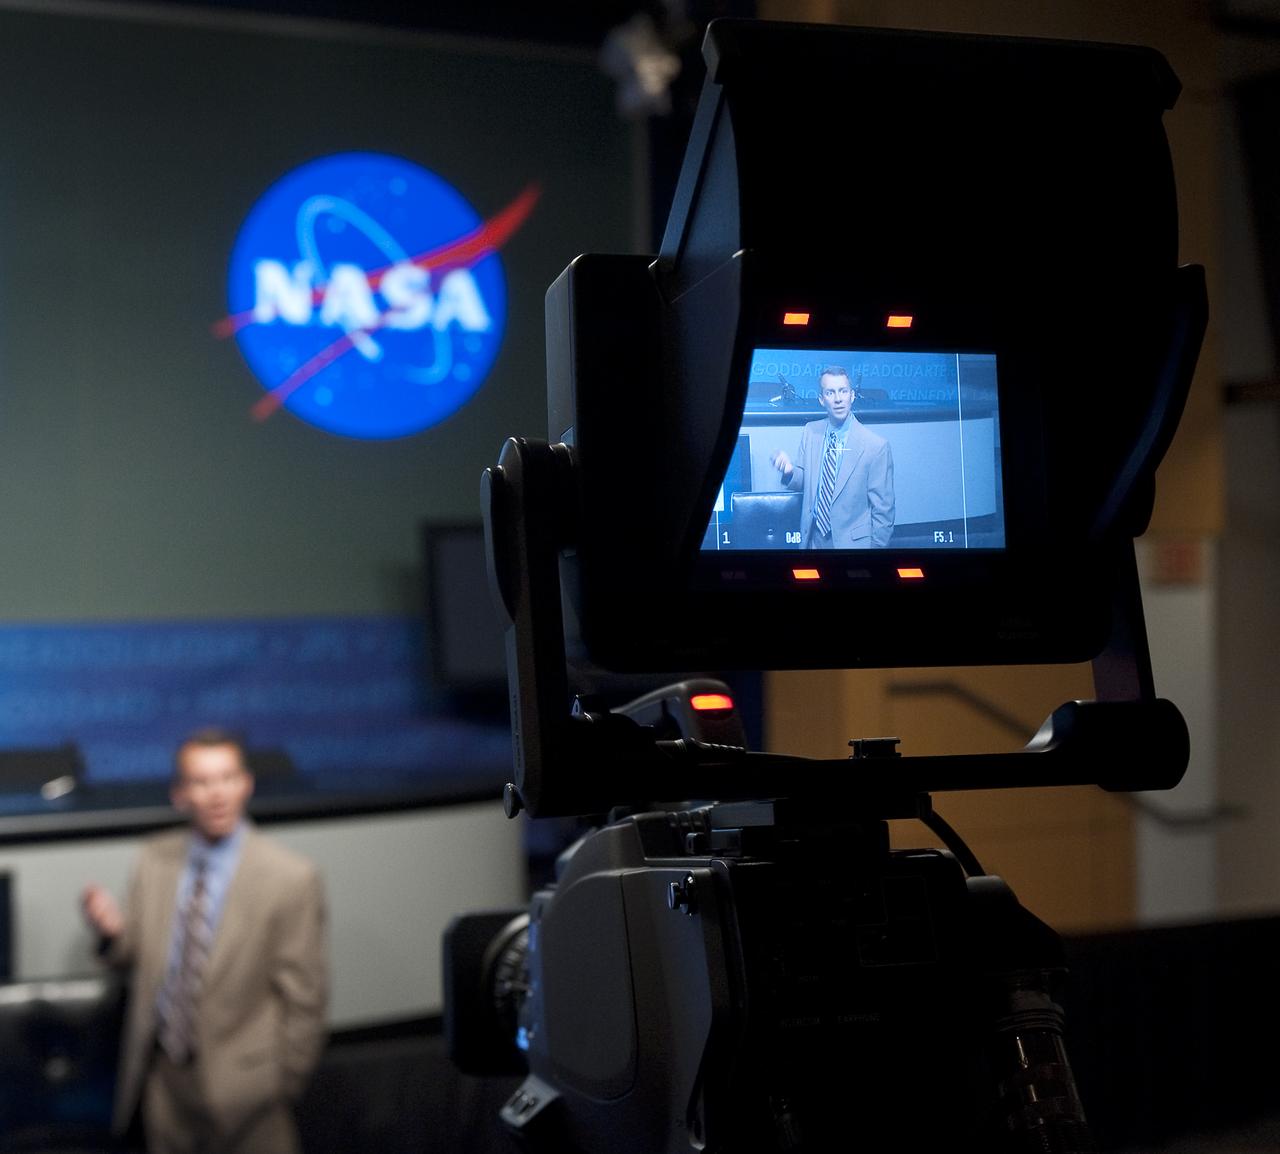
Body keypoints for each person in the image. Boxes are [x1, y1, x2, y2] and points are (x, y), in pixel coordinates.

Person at [81, 728, 328, 1154]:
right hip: (165, 1084)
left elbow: (305, 995)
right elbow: (137, 958)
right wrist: (113, 934)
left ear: (246, 784)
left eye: (228, 778)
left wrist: (283, 1083)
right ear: (180, 793)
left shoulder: (290, 877)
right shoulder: (154, 859)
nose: (217, 794)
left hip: (249, 1092)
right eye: (202, 781)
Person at [771, 365, 895, 548]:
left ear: (852, 395)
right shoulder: (810, 432)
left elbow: (883, 512)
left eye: (843, 391)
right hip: (813, 541)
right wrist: (790, 472)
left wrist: (874, 557)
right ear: (822, 399)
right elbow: (808, 482)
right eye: (830, 393)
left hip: (853, 547)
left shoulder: (876, 447)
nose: (838, 399)